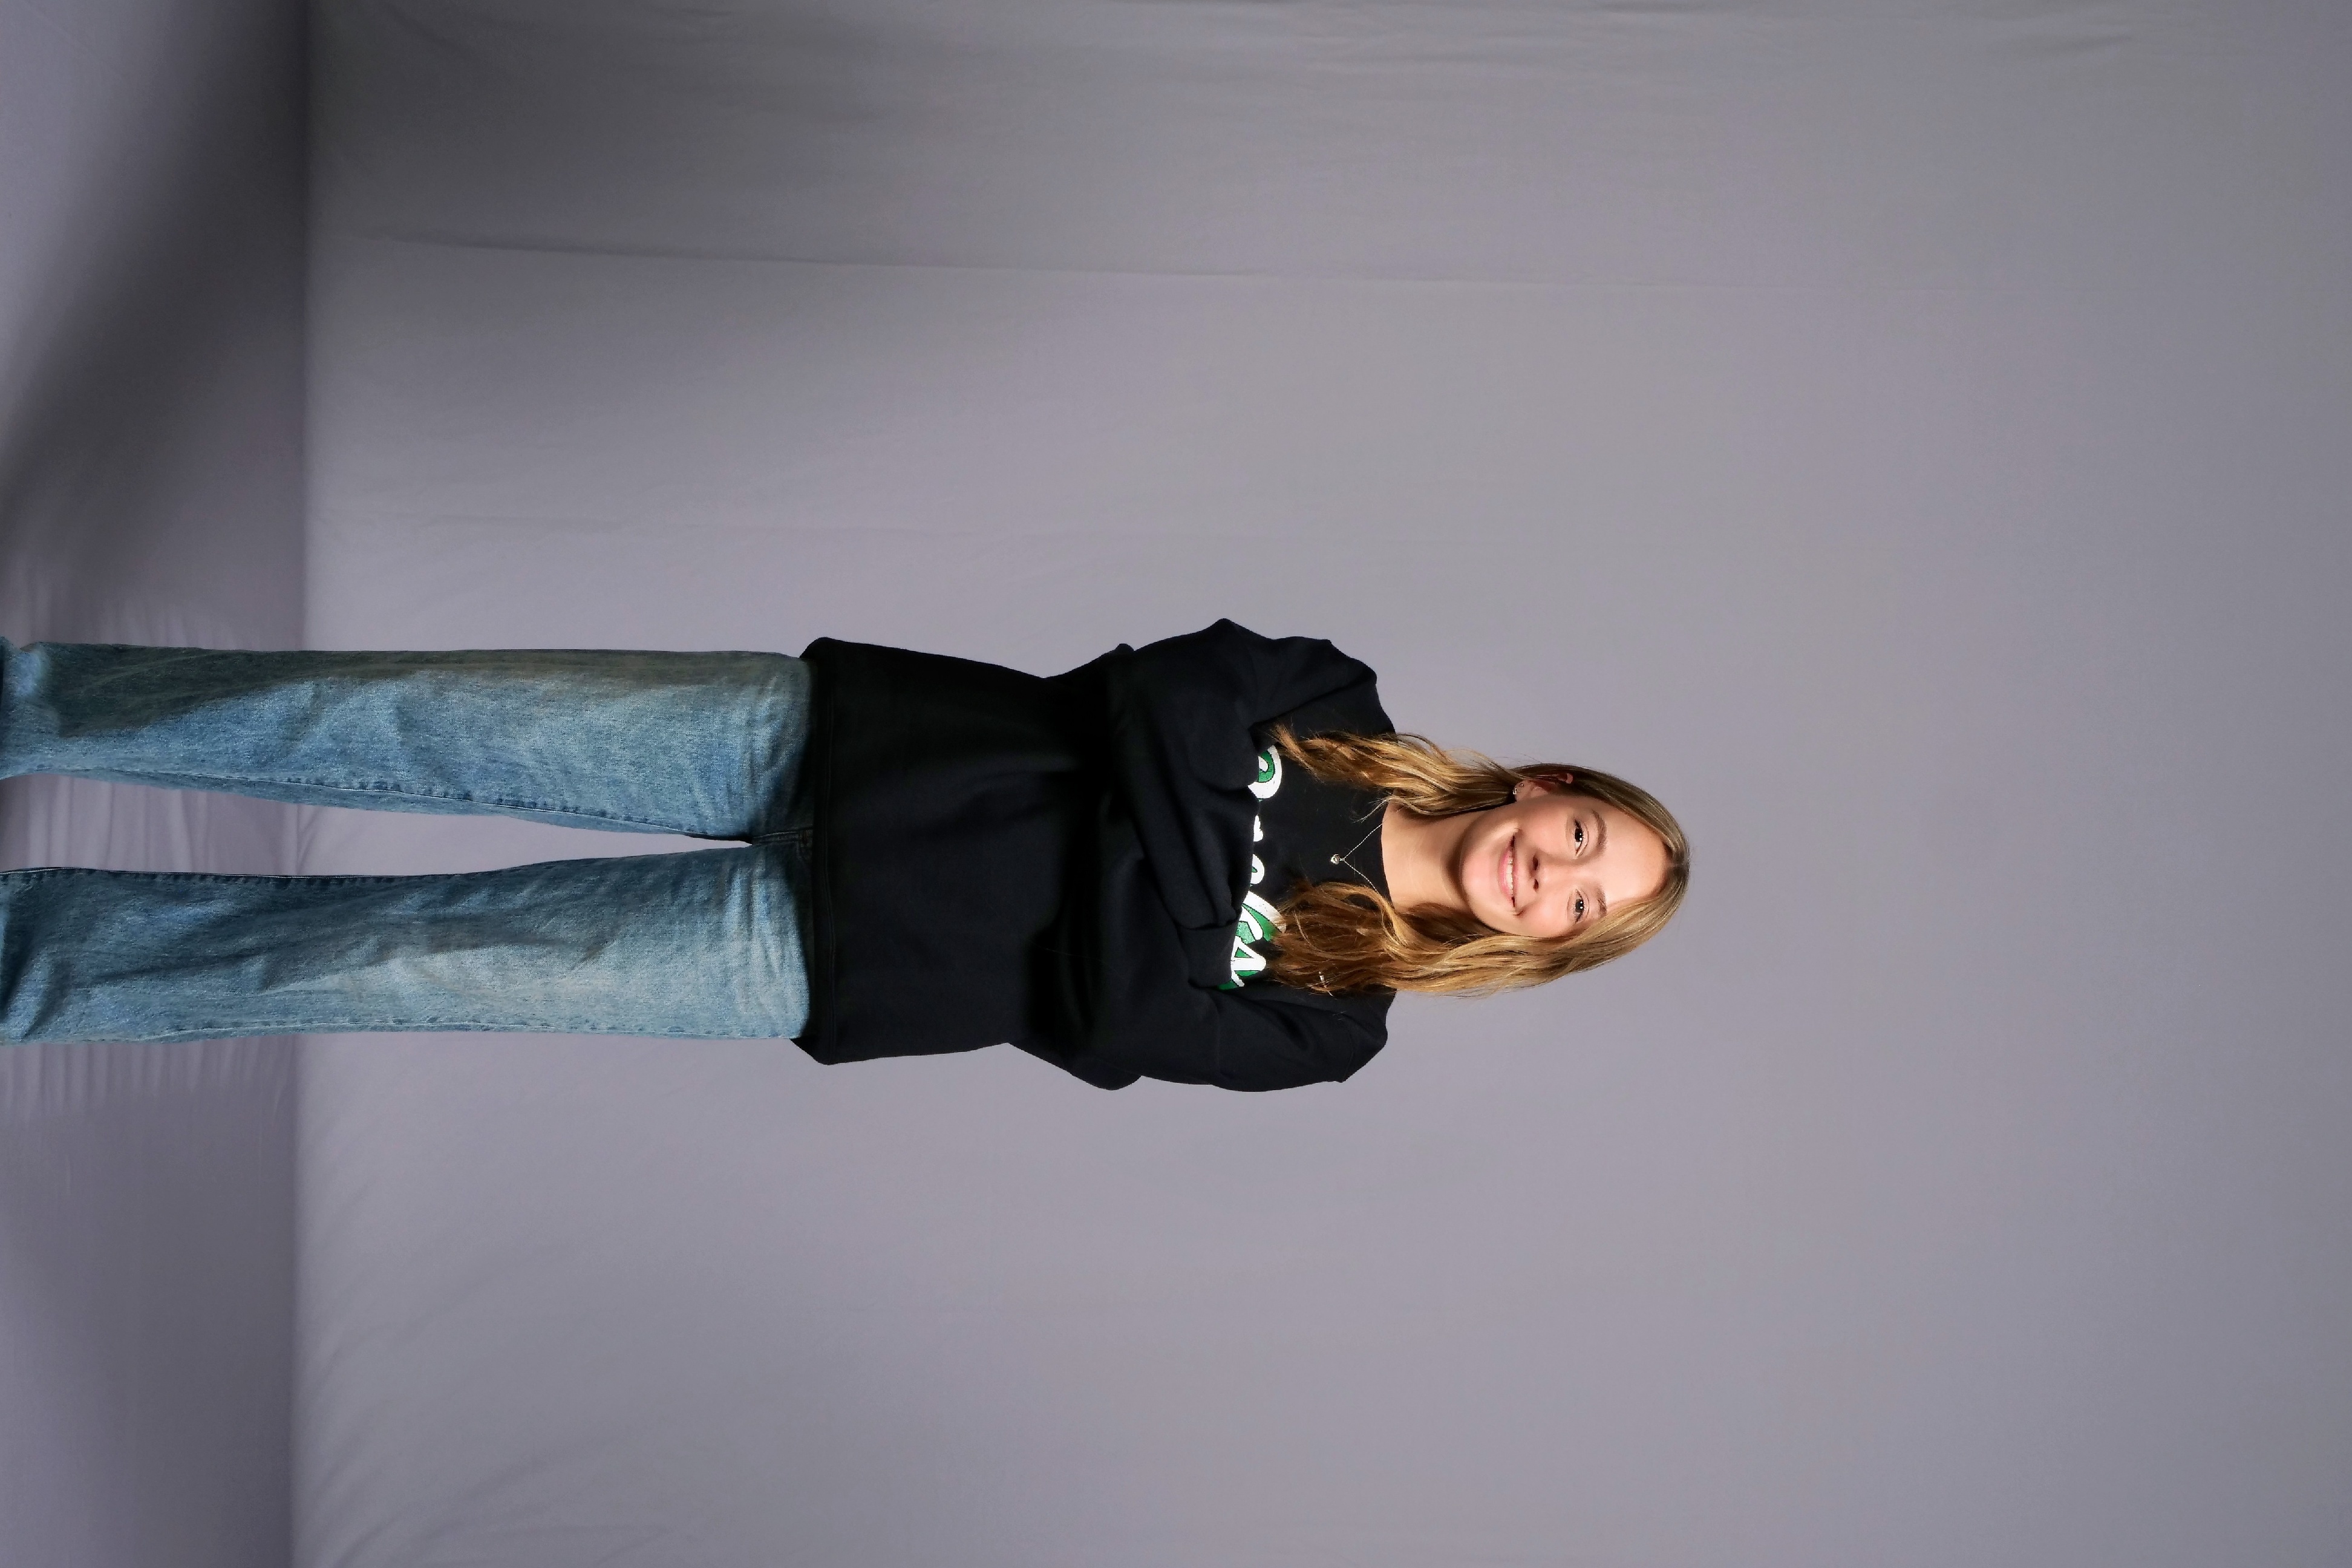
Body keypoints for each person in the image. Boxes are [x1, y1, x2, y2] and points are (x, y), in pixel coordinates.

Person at [0, 621, 1687, 1090]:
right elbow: (1151, 694)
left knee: (386, 967)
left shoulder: (1332, 1024)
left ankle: (26, 965)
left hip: (808, 961)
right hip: (829, 736)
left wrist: (1155, 819)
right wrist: (1165, 906)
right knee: (380, 717)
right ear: (1550, 785)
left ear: (1555, 944)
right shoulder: (1328, 699)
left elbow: (1109, 1029)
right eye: (1582, 838)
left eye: (1583, 908)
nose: (1553, 877)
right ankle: (32, 701)